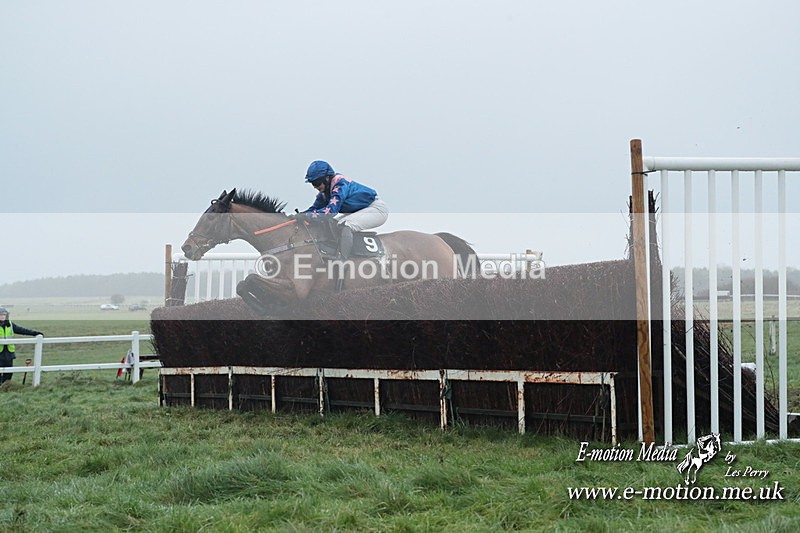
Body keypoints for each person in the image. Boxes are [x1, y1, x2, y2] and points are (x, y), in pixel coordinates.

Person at [300, 160, 389, 259]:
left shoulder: (340, 185)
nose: (315, 186)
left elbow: (330, 212)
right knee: (332, 223)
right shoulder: (325, 193)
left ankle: (343, 260)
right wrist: (298, 216)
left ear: (327, 178)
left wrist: (307, 216)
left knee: (344, 225)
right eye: (313, 183)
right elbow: (313, 209)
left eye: (317, 182)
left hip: (376, 209)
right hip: (362, 210)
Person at [0, 306, 43, 385]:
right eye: (1, 315)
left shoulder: (10, 324)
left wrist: (35, 333)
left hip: (9, 353)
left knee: (9, 373)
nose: (2, 316)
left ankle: (6, 387)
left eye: (4, 315)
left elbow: (21, 330)